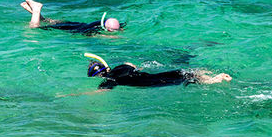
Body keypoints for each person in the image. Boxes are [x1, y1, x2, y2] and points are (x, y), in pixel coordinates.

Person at [84, 54, 231, 90]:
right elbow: (131, 64)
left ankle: (215, 79)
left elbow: (100, 93)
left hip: (154, 83)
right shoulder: (121, 68)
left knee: (187, 79)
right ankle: (211, 75)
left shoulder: (109, 82)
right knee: (186, 73)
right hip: (158, 74)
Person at [22, 0, 121, 35]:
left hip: (76, 24)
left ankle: (38, 15)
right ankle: (36, 10)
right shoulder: (95, 31)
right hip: (70, 28)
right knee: (34, 29)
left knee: (51, 21)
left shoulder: (99, 23)